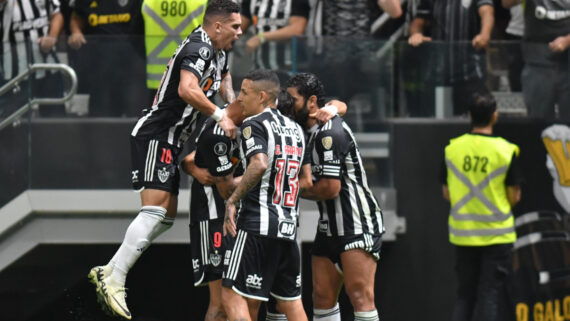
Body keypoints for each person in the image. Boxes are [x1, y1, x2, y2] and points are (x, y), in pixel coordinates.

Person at [87, 1, 242, 319]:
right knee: (155, 210)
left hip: (172, 139)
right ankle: (115, 278)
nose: (240, 32)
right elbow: (187, 89)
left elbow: (224, 75)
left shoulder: (219, 50)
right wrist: (219, 114)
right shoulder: (199, 47)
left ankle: (111, 269)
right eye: (236, 27)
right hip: (157, 135)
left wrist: (231, 101)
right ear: (217, 26)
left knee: (166, 216)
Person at [285, 72, 385, 321]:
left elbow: (330, 188)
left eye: (293, 99)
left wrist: (288, 191)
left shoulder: (329, 132)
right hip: (328, 226)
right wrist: (336, 105)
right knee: (321, 296)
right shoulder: (302, 128)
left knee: (360, 296)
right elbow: (340, 104)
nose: (288, 104)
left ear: (312, 102)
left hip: (356, 222)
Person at [221, 69, 311, 321]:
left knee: (230, 294)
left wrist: (232, 199)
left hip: (257, 225)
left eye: (245, 93)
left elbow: (259, 164)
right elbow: (304, 179)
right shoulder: (295, 129)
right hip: (288, 227)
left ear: (262, 97)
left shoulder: (254, 124)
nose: (239, 98)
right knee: (292, 303)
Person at [441, 93, 522, 321]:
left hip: (463, 235)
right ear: (494, 115)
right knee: (489, 294)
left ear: (469, 115)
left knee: (465, 296)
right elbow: (514, 195)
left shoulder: (453, 149)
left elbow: (447, 192)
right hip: (497, 236)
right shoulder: (505, 151)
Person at [183, 100, 245, 321]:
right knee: (220, 302)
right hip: (212, 215)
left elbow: (191, 160)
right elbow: (191, 160)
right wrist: (260, 173)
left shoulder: (248, 126)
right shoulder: (219, 128)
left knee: (237, 298)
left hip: (232, 216)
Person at [408, 0, 494, 115]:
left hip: (470, 70)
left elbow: (487, 12)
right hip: (438, 71)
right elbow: (418, 20)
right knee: (435, 118)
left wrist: (485, 33)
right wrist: (416, 33)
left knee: (476, 117)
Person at [67, 0, 147, 117]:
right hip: (101, 71)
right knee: (102, 124)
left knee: (136, 121)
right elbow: (77, 16)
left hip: (133, 70)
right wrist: (76, 32)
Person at [502, 0, 570, 120]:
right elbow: (506, 3)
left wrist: (567, 40)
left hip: (567, 63)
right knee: (538, 120)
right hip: (537, 61)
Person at [0, 0, 64, 117]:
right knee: (16, 122)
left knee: (55, 121)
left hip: (48, 67)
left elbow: (56, 14)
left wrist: (52, 37)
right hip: (14, 74)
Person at [142, 0, 207, 103]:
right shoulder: (201, 2)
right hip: (192, 77)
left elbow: (136, 31)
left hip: (157, 79)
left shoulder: (149, 2)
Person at [239, 0, 310, 81]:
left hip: (289, 71)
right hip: (259, 69)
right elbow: (240, 24)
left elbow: (297, 29)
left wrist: (261, 37)